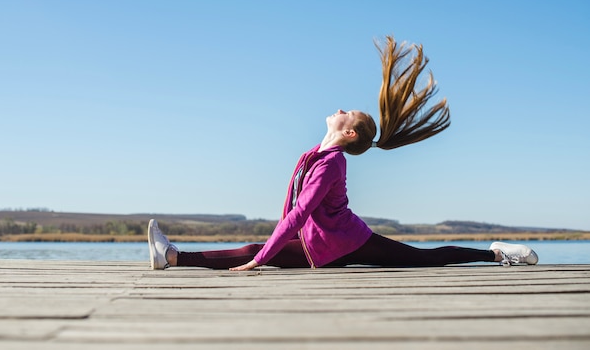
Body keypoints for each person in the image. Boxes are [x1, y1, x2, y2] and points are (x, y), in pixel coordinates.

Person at [147, 36, 538, 271]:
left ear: (348, 131)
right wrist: (273, 250)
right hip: (329, 241)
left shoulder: (331, 163)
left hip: (344, 243)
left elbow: (300, 211)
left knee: (424, 258)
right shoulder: (314, 153)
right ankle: (173, 256)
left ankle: (495, 253)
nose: (338, 108)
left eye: (345, 112)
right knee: (421, 257)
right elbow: (295, 211)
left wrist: (261, 258)